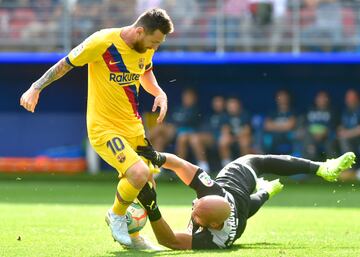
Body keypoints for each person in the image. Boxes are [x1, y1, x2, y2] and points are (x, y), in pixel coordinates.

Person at [19, 8, 174, 249]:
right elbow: (66, 63)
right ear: (140, 31)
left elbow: (146, 70)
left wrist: (159, 92)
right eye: (154, 42)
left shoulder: (145, 48)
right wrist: (36, 87)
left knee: (148, 187)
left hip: (133, 128)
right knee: (139, 175)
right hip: (104, 128)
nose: (155, 48)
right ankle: (115, 215)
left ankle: (134, 239)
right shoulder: (102, 41)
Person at [135, 143, 356, 249]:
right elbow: (182, 165)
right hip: (236, 188)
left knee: (251, 204)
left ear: (212, 224)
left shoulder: (212, 240)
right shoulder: (212, 192)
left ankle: (267, 190)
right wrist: (158, 157)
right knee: (257, 161)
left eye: (196, 210)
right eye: (197, 203)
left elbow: (169, 240)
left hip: (239, 210)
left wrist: (152, 207)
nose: (194, 205)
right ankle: (319, 168)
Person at [302, 91, 338, 161]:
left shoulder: (332, 112)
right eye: (319, 98)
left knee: (331, 140)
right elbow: (306, 125)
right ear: (316, 99)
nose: (321, 100)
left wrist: (323, 133)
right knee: (306, 137)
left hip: (327, 136)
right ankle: (309, 163)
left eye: (323, 98)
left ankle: (332, 164)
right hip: (311, 135)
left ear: (327, 99)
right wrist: (314, 134)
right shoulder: (310, 110)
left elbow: (334, 126)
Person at [263, 89, 297, 154]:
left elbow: (290, 126)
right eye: (280, 97)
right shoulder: (272, 112)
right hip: (274, 136)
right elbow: (267, 126)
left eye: (284, 97)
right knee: (267, 138)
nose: (282, 99)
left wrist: (274, 126)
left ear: (288, 98)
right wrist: (283, 126)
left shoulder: (292, 112)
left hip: (287, 136)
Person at [338, 89, 360, 180]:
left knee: (344, 139)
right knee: (333, 141)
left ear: (357, 98)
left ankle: (351, 169)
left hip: (357, 138)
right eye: (347, 97)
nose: (349, 99)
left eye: (351, 97)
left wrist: (347, 134)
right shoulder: (347, 111)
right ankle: (335, 168)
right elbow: (342, 126)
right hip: (351, 138)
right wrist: (341, 130)